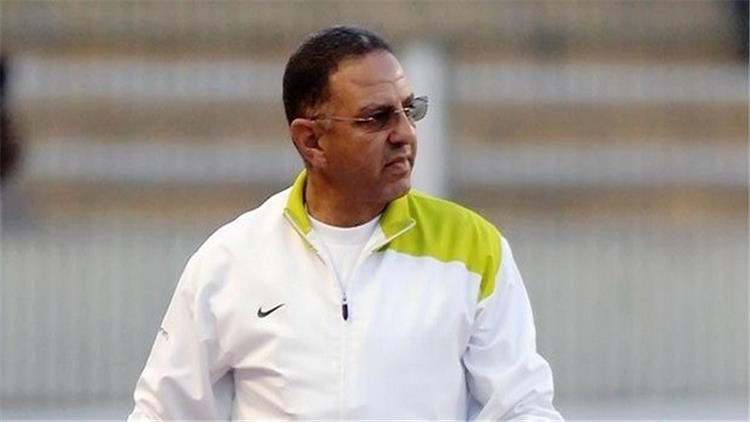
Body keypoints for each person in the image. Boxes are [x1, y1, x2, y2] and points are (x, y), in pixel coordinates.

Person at [128, 25, 562, 421]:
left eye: (410, 110)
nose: (405, 133)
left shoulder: (473, 247)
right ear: (311, 141)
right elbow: (163, 415)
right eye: (377, 118)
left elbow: (522, 408)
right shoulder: (231, 260)